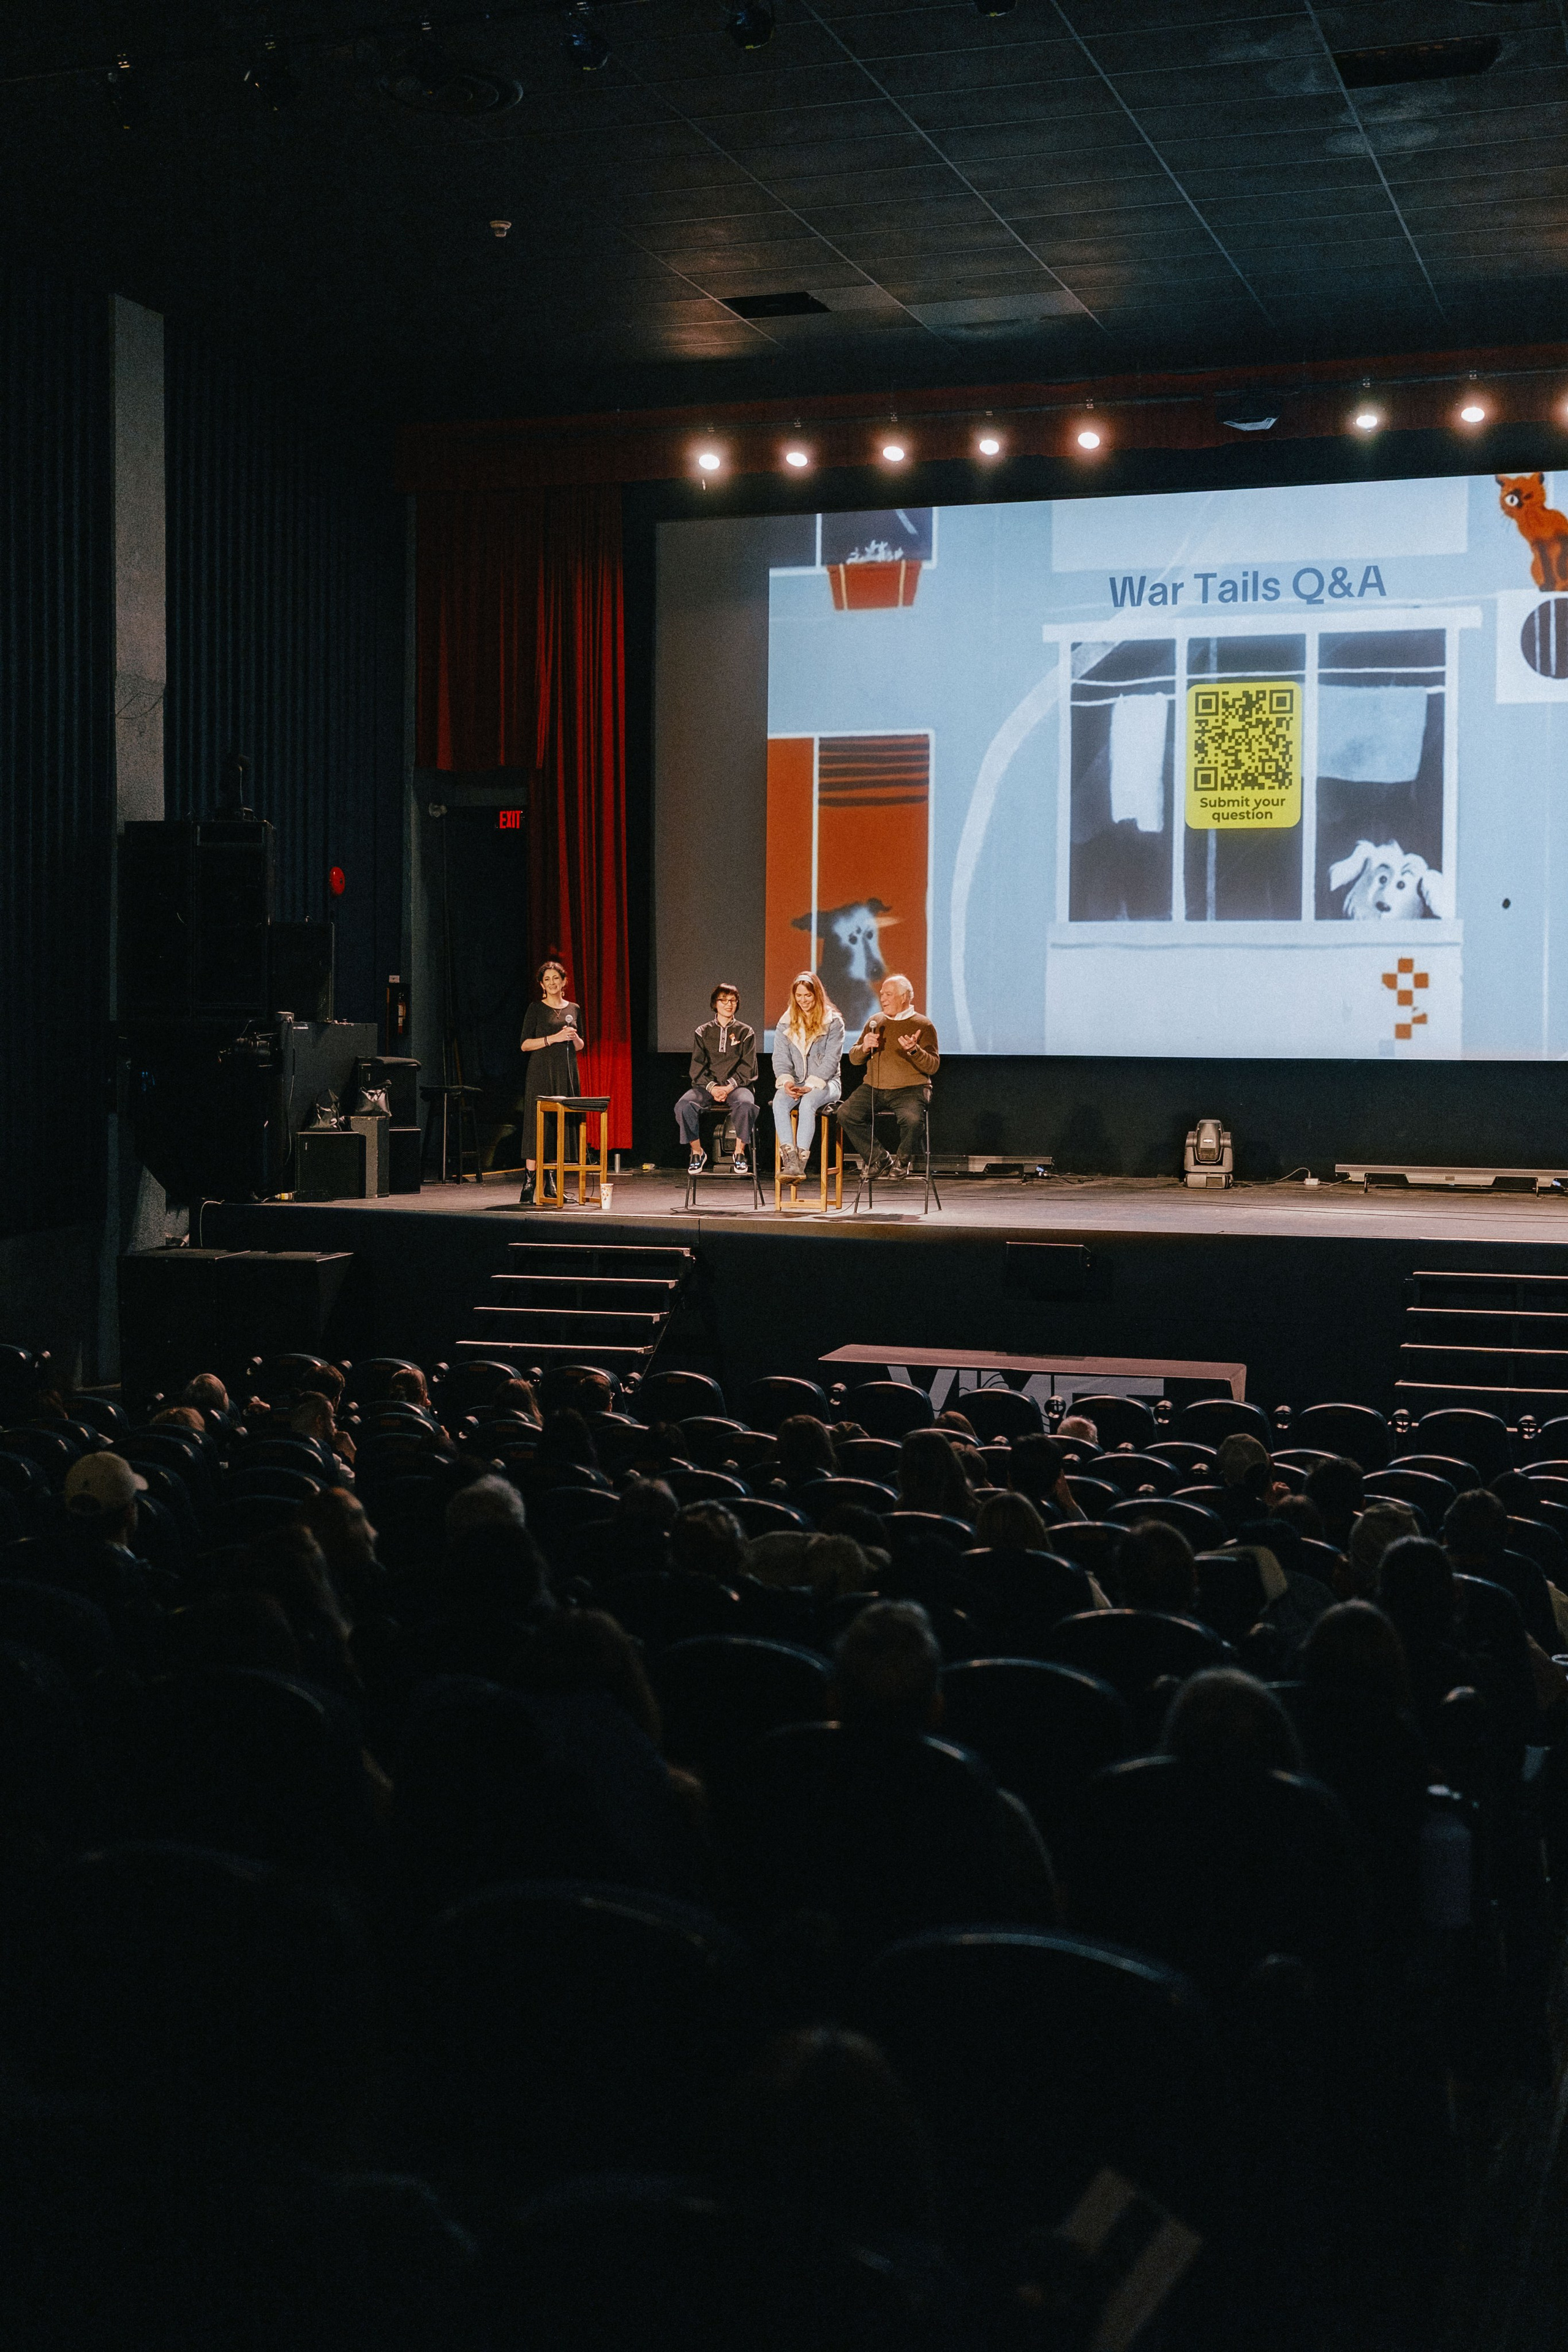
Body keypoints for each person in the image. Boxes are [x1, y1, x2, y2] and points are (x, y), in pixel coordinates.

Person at [837, 973, 939, 1179]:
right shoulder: (875, 1022)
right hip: (874, 1087)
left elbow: (933, 1066)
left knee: (912, 1120)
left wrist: (914, 1051)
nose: (882, 998)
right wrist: (865, 1047)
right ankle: (879, 1159)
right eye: (882, 994)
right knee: (846, 1113)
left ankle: (902, 1161)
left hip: (911, 1088)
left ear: (904, 997)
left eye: (888, 994)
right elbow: (855, 1059)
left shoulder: (923, 1025)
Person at [517, 957, 585, 1205]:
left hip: (566, 1073)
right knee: (538, 1125)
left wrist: (573, 1037)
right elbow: (525, 1045)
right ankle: (530, 1181)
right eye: (547, 979)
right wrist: (553, 1039)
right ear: (542, 985)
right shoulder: (536, 1009)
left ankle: (553, 1182)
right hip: (541, 1073)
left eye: (557, 978)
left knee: (561, 1126)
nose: (553, 982)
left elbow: (580, 1046)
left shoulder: (574, 1009)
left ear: (564, 981)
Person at [675, 983, 757, 1177]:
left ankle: (739, 1152)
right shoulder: (703, 1032)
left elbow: (748, 1067)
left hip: (737, 1087)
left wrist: (728, 1088)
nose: (729, 1005)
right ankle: (697, 1152)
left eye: (733, 1001)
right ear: (715, 1003)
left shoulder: (746, 1032)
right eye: (724, 1000)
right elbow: (697, 1068)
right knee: (684, 1106)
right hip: (706, 1087)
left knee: (746, 1105)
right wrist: (712, 1088)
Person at [771, 970, 844, 1180]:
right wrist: (786, 1082)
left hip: (826, 1083)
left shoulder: (833, 1022)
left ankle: (800, 1164)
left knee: (807, 1103)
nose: (803, 1000)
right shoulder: (786, 1022)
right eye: (799, 996)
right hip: (797, 1082)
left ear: (817, 995)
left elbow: (831, 1061)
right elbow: (781, 1058)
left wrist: (811, 1085)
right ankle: (790, 1161)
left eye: (808, 995)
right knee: (779, 1102)